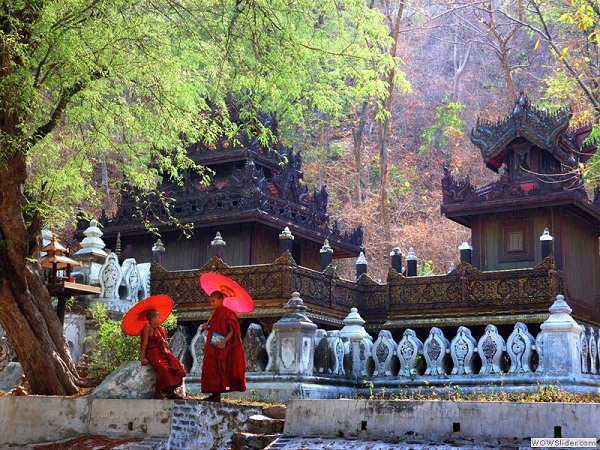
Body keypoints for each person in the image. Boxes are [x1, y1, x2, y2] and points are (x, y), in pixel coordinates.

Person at [200, 290, 246, 402]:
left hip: (221, 346)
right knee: (211, 368)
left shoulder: (228, 313)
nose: (212, 303)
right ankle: (214, 393)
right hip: (213, 344)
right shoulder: (214, 314)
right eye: (210, 301)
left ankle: (217, 394)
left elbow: (232, 331)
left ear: (221, 300)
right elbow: (215, 329)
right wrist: (207, 327)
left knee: (220, 368)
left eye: (213, 301)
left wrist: (223, 342)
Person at [140, 309, 186, 399]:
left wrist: (164, 345)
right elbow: (144, 343)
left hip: (162, 352)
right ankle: (160, 391)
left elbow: (163, 346)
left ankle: (170, 392)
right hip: (152, 353)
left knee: (175, 367)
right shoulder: (147, 327)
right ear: (153, 319)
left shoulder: (160, 329)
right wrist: (142, 357)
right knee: (164, 369)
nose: (160, 319)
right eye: (158, 317)